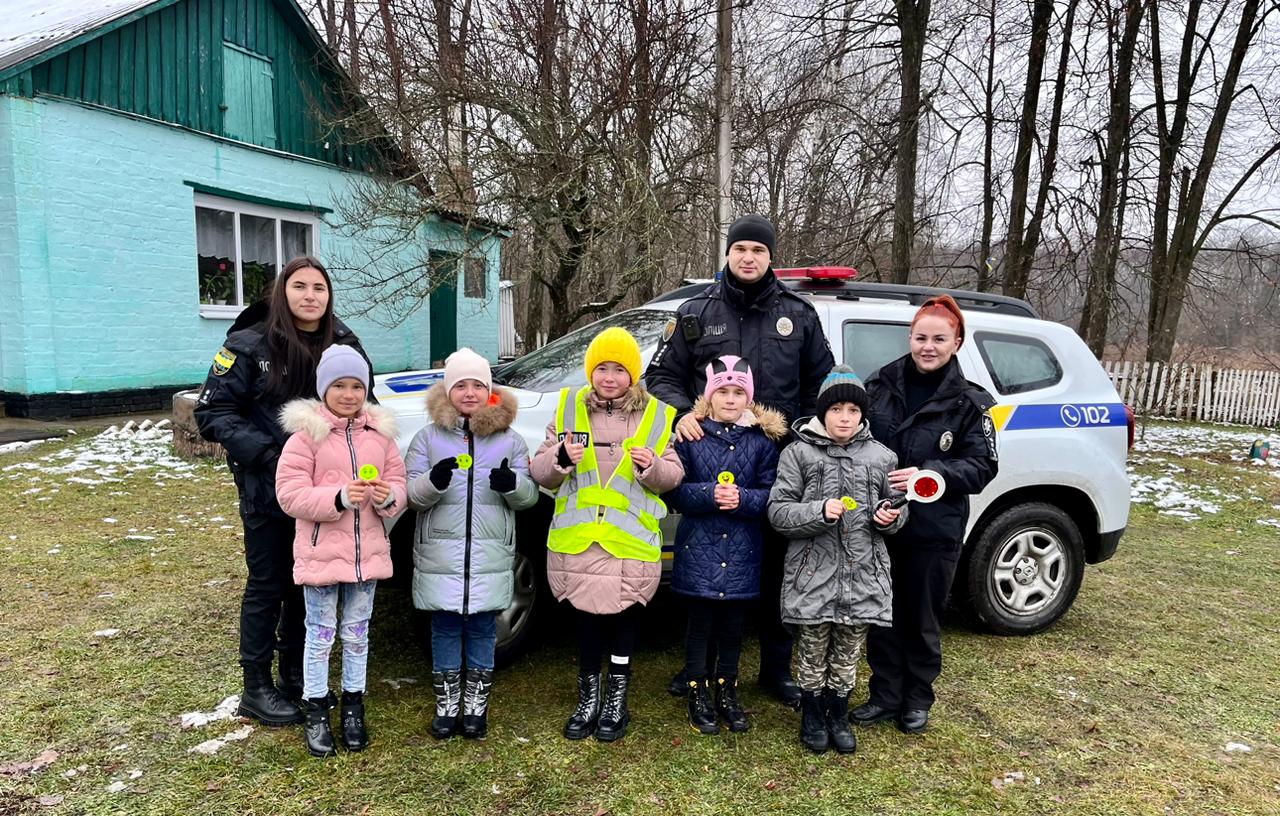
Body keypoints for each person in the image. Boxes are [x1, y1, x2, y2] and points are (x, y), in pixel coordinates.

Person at [645, 213, 835, 707]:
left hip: (778, 463)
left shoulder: (799, 314)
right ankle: (698, 668)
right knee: (707, 564)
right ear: (727, 254)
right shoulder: (695, 311)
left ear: (771, 257)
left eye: (758, 250)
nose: (748, 258)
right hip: (708, 458)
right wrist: (683, 415)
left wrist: (801, 436)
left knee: (776, 568)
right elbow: (660, 377)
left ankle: (775, 669)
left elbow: (823, 385)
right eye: (740, 249)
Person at [195, 256, 374, 726]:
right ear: (282, 291)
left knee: (307, 581)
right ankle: (256, 686)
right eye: (299, 286)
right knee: (268, 582)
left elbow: (365, 406)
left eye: (319, 287)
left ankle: (295, 672)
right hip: (266, 485)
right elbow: (212, 414)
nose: (310, 296)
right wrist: (270, 455)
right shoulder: (248, 343)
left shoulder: (343, 342)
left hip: (325, 494)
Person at [851, 295, 999, 734]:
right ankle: (884, 695)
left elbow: (983, 466)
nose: (928, 347)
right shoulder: (878, 387)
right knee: (881, 613)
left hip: (935, 528)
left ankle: (917, 698)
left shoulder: (970, 403)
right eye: (920, 338)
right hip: (881, 522)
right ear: (910, 339)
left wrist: (932, 473)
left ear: (956, 343)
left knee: (921, 617)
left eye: (938, 339)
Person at [530, 327, 685, 742]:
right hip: (578, 540)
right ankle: (588, 696)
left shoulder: (656, 415)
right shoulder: (568, 409)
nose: (610, 377)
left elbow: (673, 476)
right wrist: (560, 458)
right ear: (590, 371)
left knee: (623, 619)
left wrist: (652, 467)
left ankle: (616, 698)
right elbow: (540, 471)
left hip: (629, 542)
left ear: (633, 374)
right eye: (602, 368)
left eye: (619, 369)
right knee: (586, 620)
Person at [274, 345, 407, 756]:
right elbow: (289, 494)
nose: (349, 395)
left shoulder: (380, 438)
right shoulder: (305, 437)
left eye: (356, 386)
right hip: (321, 556)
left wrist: (388, 497)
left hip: (367, 556)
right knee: (320, 634)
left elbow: (399, 484)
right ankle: (316, 709)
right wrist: (337, 498)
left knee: (357, 633)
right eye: (339, 386)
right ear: (323, 389)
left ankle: (353, 705)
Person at [768, 366, 906, 754]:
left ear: (862, 415)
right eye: (836, 410)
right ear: (822, 412)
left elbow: (899, 507)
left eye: (853, 410)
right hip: (813, 575)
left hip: (863, 575)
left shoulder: (882, 457)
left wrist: (890, 516)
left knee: (847, 655)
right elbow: (778, 511)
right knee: (812, 652)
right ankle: (812, 714)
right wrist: (818, 511)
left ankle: (837, 712)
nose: (845, 418)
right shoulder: (798, 454)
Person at [404, 348, 539, 740]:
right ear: (447, 391)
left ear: (489, 391)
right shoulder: (427, 438)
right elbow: (410, 495)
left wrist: (513, 486)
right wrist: (432, 482)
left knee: (483, 628)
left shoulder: (509, 441)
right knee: (444, 626)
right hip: (440, 553)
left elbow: (530, 497)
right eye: (460, 385)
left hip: (489, 554)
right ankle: (447, 705)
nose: (469, 393)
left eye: (477, 385)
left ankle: (476, 705)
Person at [664, 356, 783, 735]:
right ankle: (697, 690)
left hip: (743, 552)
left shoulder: (762, 443)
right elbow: (674, 492)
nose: (730, 399)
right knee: (700, 625)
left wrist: (744, 499)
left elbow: (772, 494)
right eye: (723, 392)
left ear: (749, 398)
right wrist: (708, 494)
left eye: (738, 393)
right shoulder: (691, 437)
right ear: (709, 396)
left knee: (733, 627)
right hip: (699, 550)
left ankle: (726, 689)